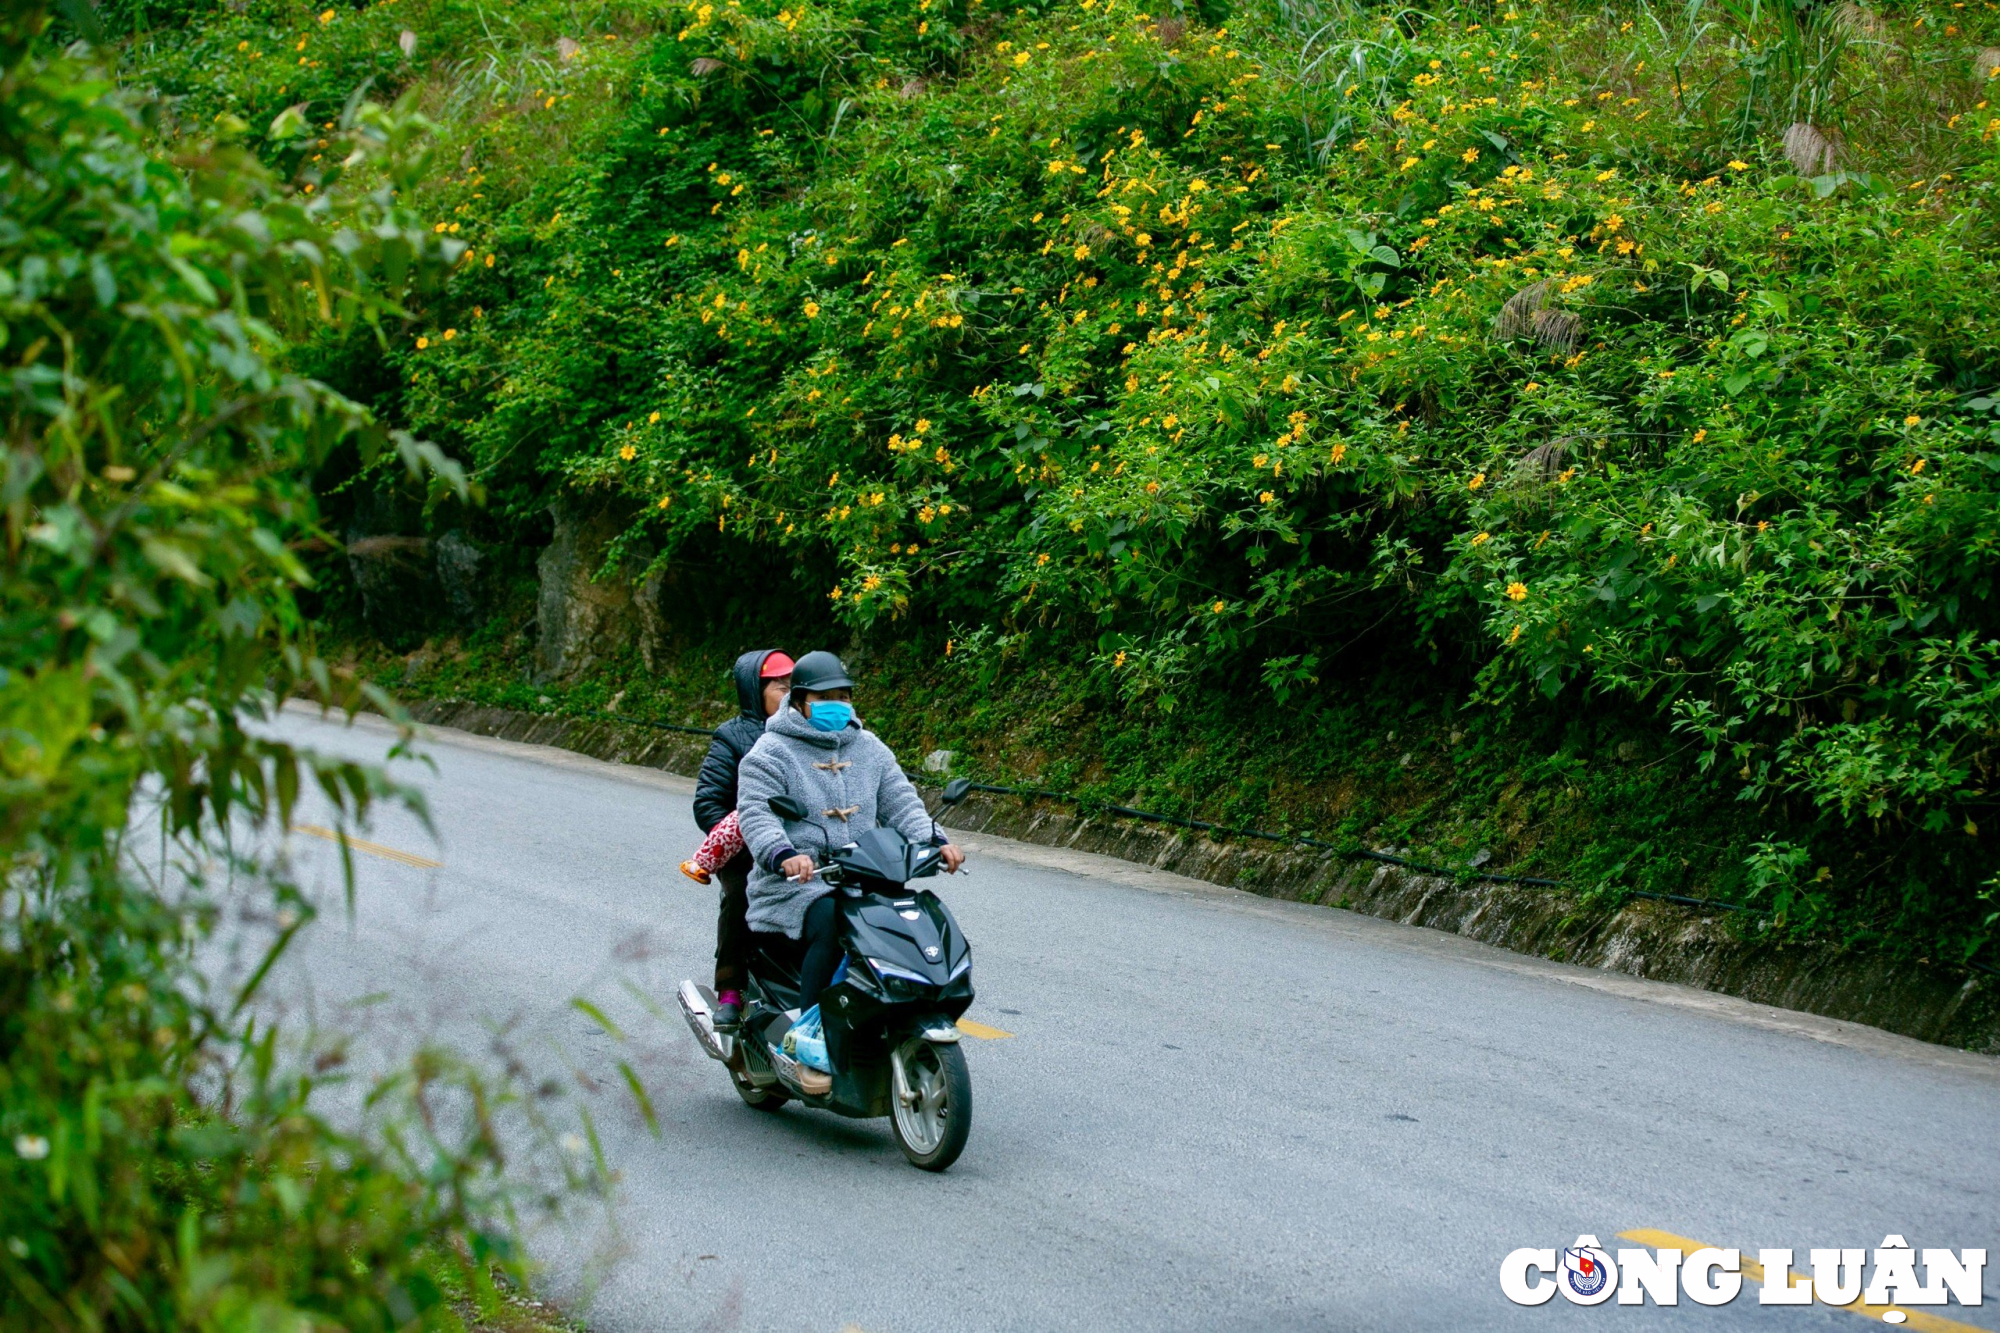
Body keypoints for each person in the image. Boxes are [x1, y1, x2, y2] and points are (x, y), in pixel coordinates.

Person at [735, 650, 964, 1092]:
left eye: (843, 695)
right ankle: (806, 1037)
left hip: (867, 872)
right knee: (833, 921)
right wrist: (784, 854)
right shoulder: (771, 751)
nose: (837, 703)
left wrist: (937, 841)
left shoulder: (869, 747)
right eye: (825, 696)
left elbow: (902, 803)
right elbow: (756, 813)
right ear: (800, 701)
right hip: (798, 883)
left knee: (911, 915)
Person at [691, 649, 794, 1029]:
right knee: (740, 897)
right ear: (755, 691)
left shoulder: (809, 733)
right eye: (781, 687)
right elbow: (708, 802)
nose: (790, 695)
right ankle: (731, 991)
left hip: (803, 846)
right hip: (748, 853)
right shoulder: (733, 737)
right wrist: (744, 837)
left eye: (794, 687)